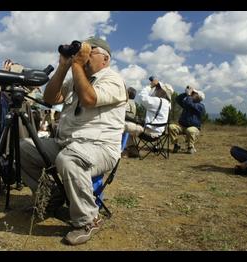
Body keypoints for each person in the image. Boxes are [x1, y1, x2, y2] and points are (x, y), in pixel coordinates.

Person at [19, 36, 127, 245]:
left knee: (70, 160)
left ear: (104, 59)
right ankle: (52, 197)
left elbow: (89, 99)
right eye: (80, 53)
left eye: (89, 52)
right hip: (66, 143)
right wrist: (63, 67)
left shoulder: (112, 79)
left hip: (100, 147)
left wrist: (76, 65)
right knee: (24, 147)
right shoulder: (76, 78)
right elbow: (50, 98)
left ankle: (88, 220)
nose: (82, 57)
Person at [124, 77, 173, 157]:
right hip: (158, 133)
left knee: (121, 124)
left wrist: (150, 86)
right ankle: (132, 150)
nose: (156, 89)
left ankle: (128, 149)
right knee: (129, 125)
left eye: (158, 88)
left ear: (163, 92)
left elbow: (142, 97)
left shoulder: (158, 101)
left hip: (149, 133)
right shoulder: (167, 104)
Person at [168, 85, 205, 154]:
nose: (192, 94)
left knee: (190, 130)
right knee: (171, 127)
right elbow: (178, 99)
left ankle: (190, 147)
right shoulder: (188, 102)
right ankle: (176, 145)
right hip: (182, 126)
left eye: (194, 94)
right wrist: (186, 93)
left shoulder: (200, 106)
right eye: (192, 93)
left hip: (194, 128)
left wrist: (188, 95)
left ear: (198, 97)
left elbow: (189, 104)